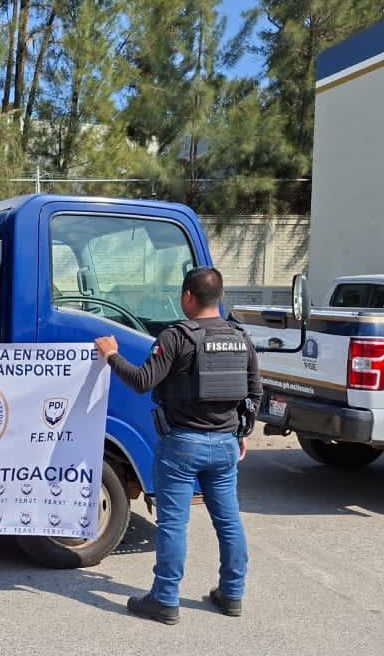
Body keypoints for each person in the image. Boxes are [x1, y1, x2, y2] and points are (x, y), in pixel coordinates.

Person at [95, 266, 261, 625]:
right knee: (229, 521)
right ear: (220, 297)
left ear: (188, 296)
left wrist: (111, 355)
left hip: (183, 445)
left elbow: (143, 381)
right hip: (226, 444)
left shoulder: (176, 337)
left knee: (173, 523)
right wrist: (242, 431)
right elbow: (255, 392)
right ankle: (232, 594)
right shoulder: (240, 337)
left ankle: (165, 598)